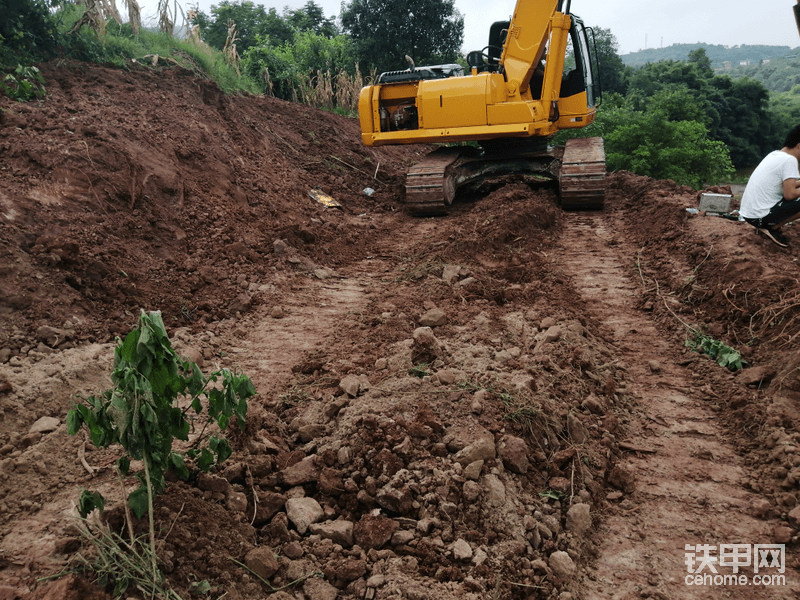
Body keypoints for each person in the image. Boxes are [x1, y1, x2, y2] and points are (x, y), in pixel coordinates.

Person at [739, 124, 800, 247]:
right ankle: (773, 226)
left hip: (750, 215)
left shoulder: (775, 154)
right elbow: (790, 194)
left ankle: (772, 225)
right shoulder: (790, 160)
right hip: (760, 217)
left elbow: (788, 185)